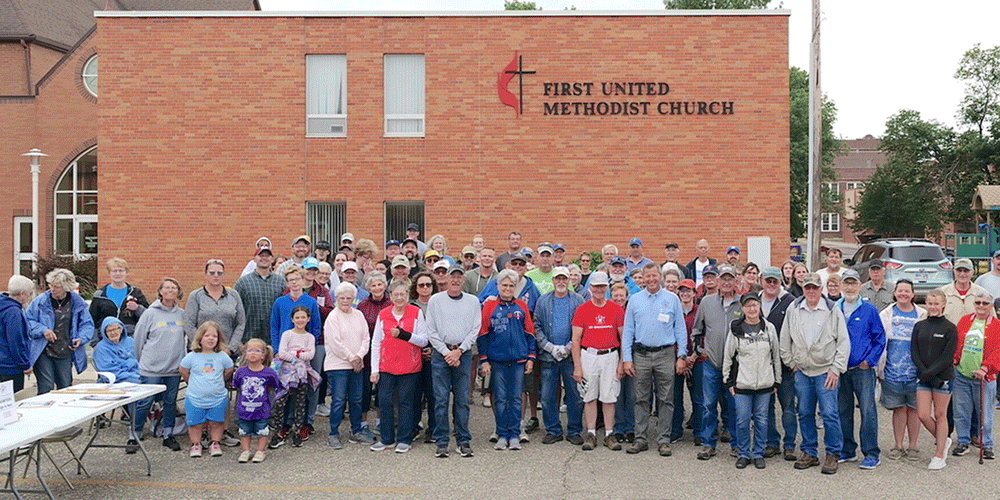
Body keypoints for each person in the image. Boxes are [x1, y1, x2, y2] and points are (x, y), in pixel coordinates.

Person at [780, 272, 850, 475]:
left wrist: (836, 368)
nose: (811, 291)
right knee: (805, 412)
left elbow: (843, 342)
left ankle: (832, 452)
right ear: (803, 289)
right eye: (807, 287)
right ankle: (809, 451)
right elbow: (785, 340)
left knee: (829, 413)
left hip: (825, 371)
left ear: (821, 289)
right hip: (802, 371)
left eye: (815, 288)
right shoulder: (793, 309)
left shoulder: (831, 310)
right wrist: (791, 363)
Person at [622, 263, 688, 456]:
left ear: (660, 277)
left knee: (666, 398)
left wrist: (681, 356)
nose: (651, 279)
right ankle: (640, 438)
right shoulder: (635, 300)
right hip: (640, 354)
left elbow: (680, 330)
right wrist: (627, 358)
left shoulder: (672, 299)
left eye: (654, 276)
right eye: (647, 276)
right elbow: (628, 332)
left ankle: (664, 439)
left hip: (665, 354)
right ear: (642, 278)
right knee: (640, 398)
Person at [426, 265, 481, 458]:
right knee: (440, 400)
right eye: (452, 277)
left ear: (463, 280)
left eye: (459, 277)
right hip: (441, 354)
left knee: (462, 400)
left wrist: (459, 351)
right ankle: (442, 441)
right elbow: (431, 331)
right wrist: (446, 353)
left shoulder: (473, 301)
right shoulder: (435, 300)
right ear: (446, 279)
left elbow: (475, 329)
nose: (456, 280)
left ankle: (463, 439)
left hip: (463, 354)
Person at [479, 269, 536, 451]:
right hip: (497, 362)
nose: (508, 288)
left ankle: (515, 434)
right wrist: (484, 359)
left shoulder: (522, 306)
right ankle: (502, 434)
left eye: (511, 285)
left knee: (516, 399)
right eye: (504, 285)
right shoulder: (489, 307)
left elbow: (530, 333)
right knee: (501, 399)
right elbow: (483, 334)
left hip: (519, 361)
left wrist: (531, 357)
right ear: (498, 287)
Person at [723, 293, 781, 469]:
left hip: (764, 384)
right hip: (742, 384)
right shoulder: (736, 329)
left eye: (755, 305)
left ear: (760, 306)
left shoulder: (769, 328)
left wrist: (777, 380)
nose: (752, 309)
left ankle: (758, 453)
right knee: (742, 420)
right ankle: (743, 453)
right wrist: (728, 381)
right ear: (742, 309)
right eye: (748, 306)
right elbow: (728, 356)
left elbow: (776, 355)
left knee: (762, 420)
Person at [370, 280, 428, 453]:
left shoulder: (416, 313)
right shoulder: (383, 314)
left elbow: (424, 340)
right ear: (390, 296)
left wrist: (404, 335)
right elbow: (376, 343)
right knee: (385, 402)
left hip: (409, 367)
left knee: (406, 403)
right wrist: (374, 370)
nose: (399, 298)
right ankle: (387, 439)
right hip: (387, 366)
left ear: (408, 296)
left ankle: (404, 438)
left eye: (403, 294)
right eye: (396, 294)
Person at [836, 269, 886, 469]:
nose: (849, 287)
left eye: (853, 283)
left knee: (867, 410)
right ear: (841, 286)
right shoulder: (834, 309)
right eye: (846, 283)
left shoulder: (869, 310)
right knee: (842, 410)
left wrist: (870, 360)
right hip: (840, 369)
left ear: (859, 286)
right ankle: (847, 450)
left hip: (862, 369)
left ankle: (871, 453)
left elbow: (880, 338)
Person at [571, 271, 625, 451]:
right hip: (589, 356)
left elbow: (624, 338)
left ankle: (609, 434)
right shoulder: (582, 309)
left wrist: (621, 363)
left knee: (609, 396)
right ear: (591, 288)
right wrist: (577, 366)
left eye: (603, 286)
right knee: (589, 396)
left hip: (610, 355)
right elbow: (576, 339)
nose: (599, 290)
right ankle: (591, 432)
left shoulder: (616, 309)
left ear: (607, 287)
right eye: (596, 286)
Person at [693, 265, 742, 460]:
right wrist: (699, 350)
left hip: (735, 367)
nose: (727, 282)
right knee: (708, 405)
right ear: (719, 282)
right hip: (711, 364)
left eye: (730, 279)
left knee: (735, 407)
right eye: (724, 279)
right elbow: (697, 331)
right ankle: (707, 444)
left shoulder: (743, 303)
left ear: (736, 281)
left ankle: (737, 445)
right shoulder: (706, 302)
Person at [132, 277, 187, 452]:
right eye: (167, 288)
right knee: (145, 401)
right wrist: (143, 362)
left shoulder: (182, 314)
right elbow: (139, 340)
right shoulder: (150, 313)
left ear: (178, 292)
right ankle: (135, 433)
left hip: (173, 368)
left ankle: (168, 434)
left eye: (174, 288)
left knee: (170, 402)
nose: (170, 291)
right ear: (160, 291)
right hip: (152, 368)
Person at [269, 266, 321, 445]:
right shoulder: (280, 302)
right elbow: (274, 327)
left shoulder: (311, 302)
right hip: (285, 353)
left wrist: (306, 351)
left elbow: (315, 328)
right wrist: (277, 349)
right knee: (284, 391)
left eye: (297, 279)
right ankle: (284, 424)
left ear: (302, 279)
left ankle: (303, 424)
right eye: (291, 279)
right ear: (287, 282)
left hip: (304, 355)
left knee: (303, 391)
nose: (294, 282)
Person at [534, 266, 585, 446]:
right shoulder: (543, 301)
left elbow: (582, 327)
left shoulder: (578, 301)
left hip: (571, 356)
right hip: (549, 357)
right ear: (553, 281)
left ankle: (574, 430)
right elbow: (537, 326)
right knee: (547, 396)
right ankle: (553, 430)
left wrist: (569, 347)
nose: (561, 282)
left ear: (569, 280)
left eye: (564, 278)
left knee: (574, 395)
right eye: (558, 279)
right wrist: (548, 346)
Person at [878, 279, 926, 461]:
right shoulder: (887, 313)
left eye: (907, 291)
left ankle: (913, 445)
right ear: (895, 293)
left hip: (916, 373)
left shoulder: (922, 315)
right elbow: (881, 341)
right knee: (899, 409)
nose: (903, 294)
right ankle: (898, 445)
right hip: (892, 372)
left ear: (913, 294)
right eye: (900, 291)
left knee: (914, 410)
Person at [25, 268, 93, 394]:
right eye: (51, 285)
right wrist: (43, 330)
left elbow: (87, 325)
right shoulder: (40, 301)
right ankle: (45, 413)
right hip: (43, 351)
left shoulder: (78, 303)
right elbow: (28, 321)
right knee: (46, 386)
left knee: (65, 386)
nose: (52, 289)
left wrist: (81, 338)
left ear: (66, 287)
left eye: (57, 286)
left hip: (65, 351)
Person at [912, 289, 958, 470]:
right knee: (923, 414)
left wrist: (930, 373)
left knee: (940, 415)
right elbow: (914, 352)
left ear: (943, 305)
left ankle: (939, 455)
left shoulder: (950, 328)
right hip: (923, 377)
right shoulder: (919, 326)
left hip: (942, 378)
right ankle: (944, 440)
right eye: (930, 304)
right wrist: (923, 372)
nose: (933, 307)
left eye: (936, 304)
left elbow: (947, 357)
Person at [950, 291, 999, 460]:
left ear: (991, 306)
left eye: (985, 303)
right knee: (961, 411)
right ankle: (963, 441)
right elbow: (957, 342)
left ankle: (987, 443)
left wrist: (986, 368)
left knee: (984, 413)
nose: (981, 306)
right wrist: (954, 359)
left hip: (984, 378)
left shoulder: (997, 326)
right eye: (978, 302)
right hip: (962, 375)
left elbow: (998, 351)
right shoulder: (965, 321)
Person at [323, 282, 372, 449]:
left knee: (357, 400)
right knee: (338, 400)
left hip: (357, 365)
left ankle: (356, 431)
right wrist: (352, 358)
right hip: (338, 366)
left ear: (354, 298)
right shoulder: (333, 317)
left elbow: (366, 338)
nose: (345, 301)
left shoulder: (358, 315)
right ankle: (333, 433)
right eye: (341, 298)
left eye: (348, 298)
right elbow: (335, 343)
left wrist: (359, 356)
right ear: (336, 299)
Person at [758, 267, 797, 460]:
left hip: (785, 365)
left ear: (781, 281)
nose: (771, 284)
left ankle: (789, 444)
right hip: (762, 366)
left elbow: (795, 332)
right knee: (766, 407)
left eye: (775, 281)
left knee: (788, 407)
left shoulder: (789, 301)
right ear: (761, 280)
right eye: (768, 280)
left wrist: (792, 360)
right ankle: (771, 443)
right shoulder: (754, 300)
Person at [180, 321, 235, 458]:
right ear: (199, 339)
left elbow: (229, 369)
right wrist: (191, 382)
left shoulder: (222, 356)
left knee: (216, 423)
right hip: (195, 398)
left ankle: (215, 443)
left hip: (217, 398)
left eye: (214, 336)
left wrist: (220, 379)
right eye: (207, 336)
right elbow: (183, 370)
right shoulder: (192, 356)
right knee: (195, 425)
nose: (211, 339)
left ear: (218, 339)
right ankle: (196, 444)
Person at [184, 259, 246, 358]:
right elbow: (189, 324)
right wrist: (202, 346)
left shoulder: (234, 295)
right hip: (200, 353)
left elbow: (241, 323)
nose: (216, 275)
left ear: (223, 275)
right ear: (205, 274)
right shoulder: (195, 296)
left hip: (227, 352)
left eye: (219, 273)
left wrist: (231, 348)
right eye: (212, 273)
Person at [232, 338, 280, 463]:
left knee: (262, 430)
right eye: (250, 350)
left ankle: (260, 451)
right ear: (245, 354)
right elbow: (237, 386)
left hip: (262, 409)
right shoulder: (240, 372)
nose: (253, 353)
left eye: (257, 351)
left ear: (263, 355)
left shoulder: (269, 372)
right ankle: (245, 450)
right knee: (244, 430)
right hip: (244, 408)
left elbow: (273, 386)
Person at [356, 272, 391, 440]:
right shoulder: (362, 306)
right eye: (373, 285)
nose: (377, 288)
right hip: (366, 353)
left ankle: (379, 420)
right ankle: (363, 423)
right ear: (368, 288)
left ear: (385, 286)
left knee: (383, 391)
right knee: (364, 390)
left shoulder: (391, 304)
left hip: (387, 354)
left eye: (379, 284)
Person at [671, 279, 703, 446]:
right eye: (682, 290)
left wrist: (692, 358)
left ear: (694, 293)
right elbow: (669, 335)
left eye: (688, 290)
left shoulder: (700, 311)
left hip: (697, 360)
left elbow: (705, 334)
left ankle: (699, 431)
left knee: (698, 398)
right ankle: (676, 430)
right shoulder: (673, 310)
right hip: (676, 360)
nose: (685, 293)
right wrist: (681, 358)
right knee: (675, 397)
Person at [235, 247, 286, 347]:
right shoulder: (243, 282)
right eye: (261, 256)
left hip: (274, 339)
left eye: (267, 256)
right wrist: (238, 341)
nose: (264, 258)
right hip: (249, 337)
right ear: (254, 259)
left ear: (272, 259)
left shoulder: (280, 282)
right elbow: (236, 311)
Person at [89, 257, 148, 342]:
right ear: (109, 273)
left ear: (126, 273)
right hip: (105, 340)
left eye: (121, 271)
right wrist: (94, 343)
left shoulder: (135, 292)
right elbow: (92, 320)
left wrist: (137, 308)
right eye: (114, 271)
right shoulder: (100, 295)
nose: (118, 273)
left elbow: (148, 316)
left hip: (130, 340)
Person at [409, 272, 438, 444]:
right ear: (416, 287)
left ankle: (433, 428)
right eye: (421, 285)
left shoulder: (439, 304)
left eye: (428, 285)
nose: (425, 288)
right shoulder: (410, 306)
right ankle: (413, 426)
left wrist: (433, 349)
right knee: (414, 394)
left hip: (435, 355)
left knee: (434, 395)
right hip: (414, 354)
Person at [1, 275, 32, 392]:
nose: (30, 297)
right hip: (10, 367)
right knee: (12, 402)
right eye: (30, 293)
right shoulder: (13, 312)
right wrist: (25, 364)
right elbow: (16, 341)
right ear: (22, 294)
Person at [942, 258, 993, 325]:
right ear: (954, 271)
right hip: (950, 334)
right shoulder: (943, 293)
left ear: (972, 272)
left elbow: (992, 319)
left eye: (966, 271)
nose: (962, 274)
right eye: (959, 270)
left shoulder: (982, 293)